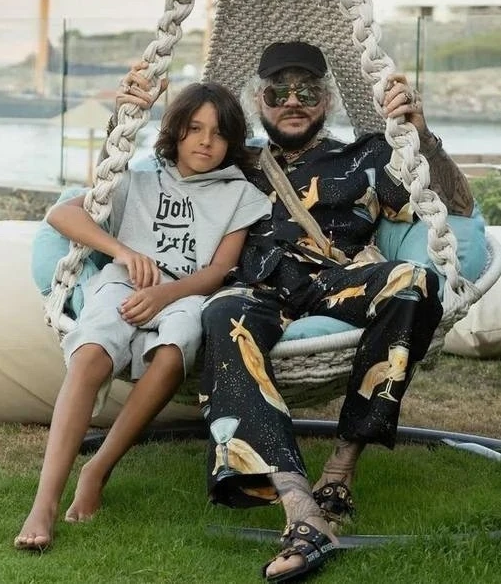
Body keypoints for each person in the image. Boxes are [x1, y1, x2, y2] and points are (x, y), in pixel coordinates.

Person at [118, 43, 475, 581]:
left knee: (414, 281)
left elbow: (456, 207)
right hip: (253, 287)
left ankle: (340, 469)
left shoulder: (368, 157)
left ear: (326, 100)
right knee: (223, 315)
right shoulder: (233, 159)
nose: (292, 101)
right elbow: (146, 179)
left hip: (334, 283)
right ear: (258, 101)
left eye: (306, 92)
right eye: (277, 92)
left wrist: (422, 137)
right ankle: (301, 508)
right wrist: (127, 117)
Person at [14, 72, 272, 550]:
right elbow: (62, 214)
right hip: (123, 282)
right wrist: (123, 252)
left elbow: (219, 271)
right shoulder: (140, 177)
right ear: (176, 132)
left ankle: (97, 469)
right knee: (91, 354)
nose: (206, 141)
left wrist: (165, 296)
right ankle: (44, 502)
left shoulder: (241, 195)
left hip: (186, 294)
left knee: (172, 355)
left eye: (218, 134)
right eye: (195, 129)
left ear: (232, 142)